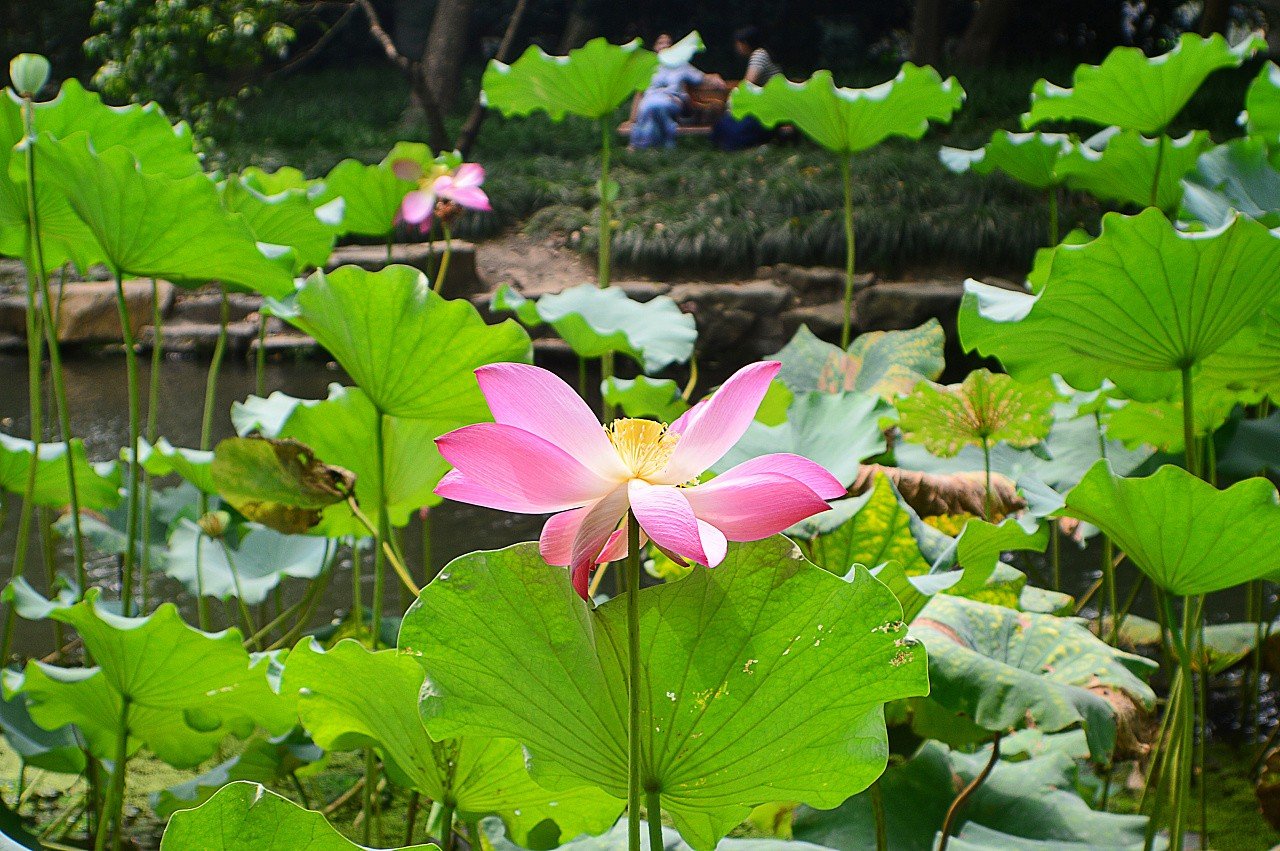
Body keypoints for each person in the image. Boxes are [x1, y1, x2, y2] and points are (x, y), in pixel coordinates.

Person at [629, 32, 717, 150]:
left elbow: (701, 77)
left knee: (653, 106)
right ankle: (665, 146)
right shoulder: (648, 67)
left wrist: (715, 79)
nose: (665, 45)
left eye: (668, 43)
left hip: (672, 101)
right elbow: (639, 94)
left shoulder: (681, 64)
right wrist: (632, 119)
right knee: (650, 106)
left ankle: (639, 145)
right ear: (655, 47)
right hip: (650, 101)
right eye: (661, 43)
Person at [712, 26, 781, 151]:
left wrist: (732, 102)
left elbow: (747, 85)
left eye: (738, 44)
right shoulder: (762, 54)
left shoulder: (759, 55)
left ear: (745, 44)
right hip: (765, 105)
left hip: (768, 109)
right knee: (726, 124)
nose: (736, 47)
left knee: (731, 125)